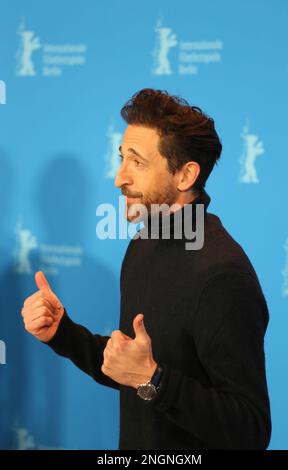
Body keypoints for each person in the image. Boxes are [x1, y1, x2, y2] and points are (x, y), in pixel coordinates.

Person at [21, 88, 271, 450]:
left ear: (185, 175)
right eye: (122, 158)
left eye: (137, 162)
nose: (119, 177)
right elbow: (133, 367)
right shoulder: (143, 244)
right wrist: (63, 333)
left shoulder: (222, 275)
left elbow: (250, 430)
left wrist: (152, 379)